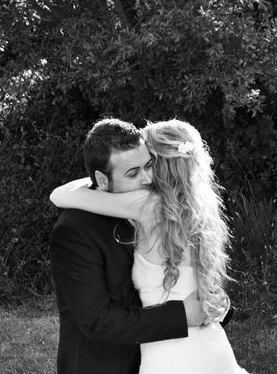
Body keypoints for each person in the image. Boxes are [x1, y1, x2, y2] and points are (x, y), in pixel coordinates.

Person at [50, 118, 249, 374]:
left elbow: (60, 194)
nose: (146, 178)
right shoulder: (76, 229)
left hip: (175, 355)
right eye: (133, 172)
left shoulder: (157, 207)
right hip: (113, 364)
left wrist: (212, 305)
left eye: (149, 165)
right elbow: (97, 321)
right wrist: (185, 315)